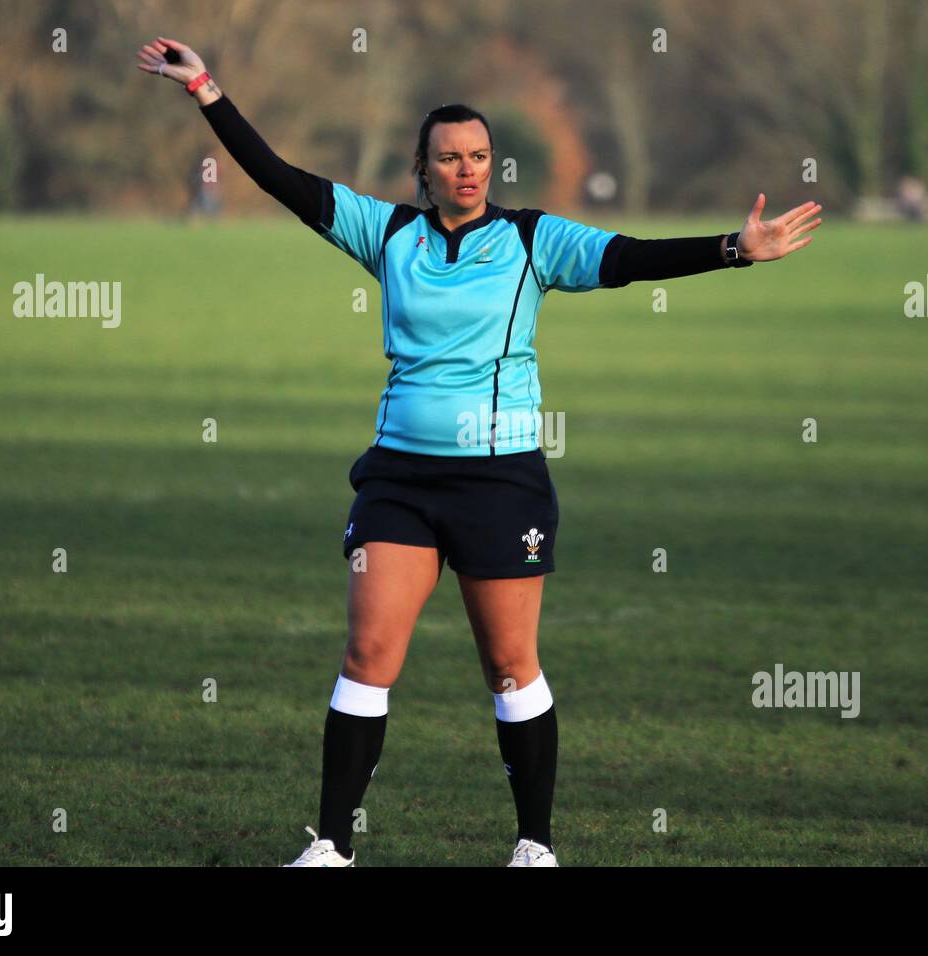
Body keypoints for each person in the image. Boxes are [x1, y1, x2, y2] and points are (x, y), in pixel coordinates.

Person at [137, 36, 821, 867]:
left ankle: (533, 846)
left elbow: (632, 258)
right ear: (421, 170)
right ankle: (333, 849)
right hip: (399, 477)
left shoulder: (533, 242)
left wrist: (733, 249)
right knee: (367, 655)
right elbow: (280, 178)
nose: (468, 170)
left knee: (508, 665)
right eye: (450, 158)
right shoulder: (386, 233)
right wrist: (204, 88)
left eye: (481, 156)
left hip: (501, 481)